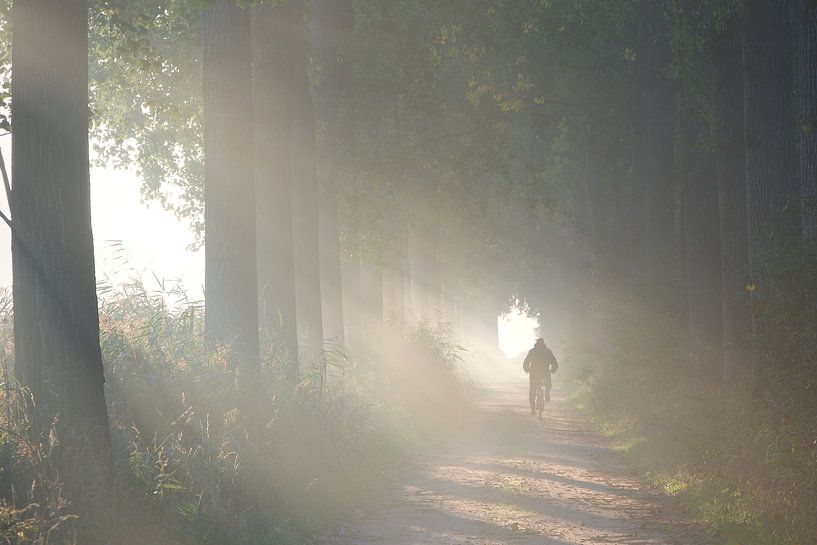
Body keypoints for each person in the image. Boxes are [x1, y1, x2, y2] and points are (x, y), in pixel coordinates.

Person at [523, 338, 559, 416]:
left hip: (534, 374)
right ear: (543, 344)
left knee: (532, 390)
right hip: (545, 373)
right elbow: (554, 362)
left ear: (536, 344)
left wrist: (527, 369)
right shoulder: (547, 351)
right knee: (547, 384)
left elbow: (526, 362)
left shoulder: (532, 351)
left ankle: (533, 410)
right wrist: (552, 370)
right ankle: (547, 394)